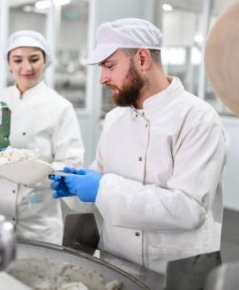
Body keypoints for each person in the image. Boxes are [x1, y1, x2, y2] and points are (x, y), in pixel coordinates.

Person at [50, 18, 229, 274]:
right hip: (117, 264)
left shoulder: (198, 119)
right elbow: (97, 196)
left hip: (173, 272)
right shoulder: (114, 120)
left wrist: (102, 187)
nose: (102, 78)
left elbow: (189, 210)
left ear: (142, 59)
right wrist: (75, 190)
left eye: (109, 66)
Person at [0, 30, 84, 245]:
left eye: (34, 59)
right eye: (17, 60)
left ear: (46, 61)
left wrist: (31, 171)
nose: (26, 68)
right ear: (9, 63)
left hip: (37, 220)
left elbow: (72, 163)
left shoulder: (60, 107)